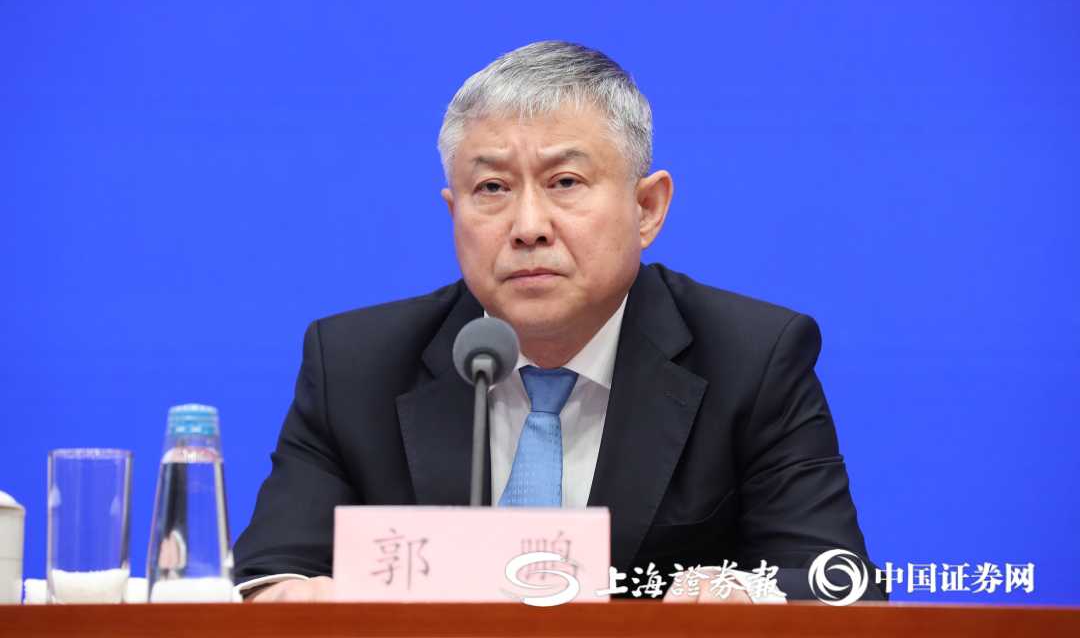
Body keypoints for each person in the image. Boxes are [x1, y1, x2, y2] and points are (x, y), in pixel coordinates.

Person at [233, 41, 880, 603]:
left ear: (647, 208)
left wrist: (742, 595)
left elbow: (837, 584)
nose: (528, 227)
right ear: (453, 213)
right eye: (492, 189)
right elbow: (271, 572)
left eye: (565, 181)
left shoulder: (751, 358)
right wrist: (294, 598)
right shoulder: (355, 365)